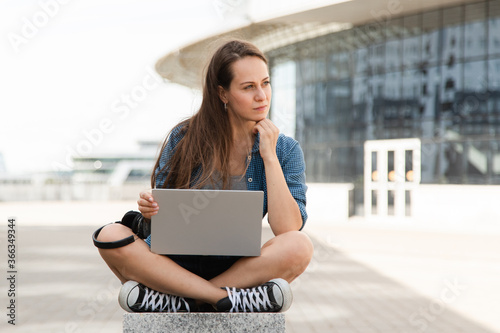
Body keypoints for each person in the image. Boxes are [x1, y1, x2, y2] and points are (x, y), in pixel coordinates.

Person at [95, 39, 314, 313]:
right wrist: (151, 212)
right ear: (223, 94)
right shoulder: (184, 138)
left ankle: (180, 300)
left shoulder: (285, 149)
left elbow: (287, 229)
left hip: (238, 267)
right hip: (172, 263)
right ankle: (223, 298)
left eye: (265, 83)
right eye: (248, 87)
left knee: (299, 245)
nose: (262, 96)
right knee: (109, 234)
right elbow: (160, 220)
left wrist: (268, 156)